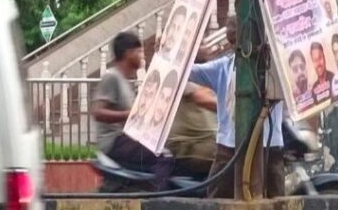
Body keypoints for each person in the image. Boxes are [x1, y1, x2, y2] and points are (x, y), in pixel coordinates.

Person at [187, 14, 285, 198]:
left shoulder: (276, 67)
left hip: (268, 145)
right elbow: (188, 71)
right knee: (216, 199)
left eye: (236, 41)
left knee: (276, 202)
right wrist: (170, 53)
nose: (234, 47)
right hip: (229, 147)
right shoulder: (224, 68)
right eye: (232, 42)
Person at [91, 31, 174, 190]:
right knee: (163, 155)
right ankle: (159, 199)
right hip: (113, 141)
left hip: (124, 140)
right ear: (128, 53)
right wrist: (129, 115)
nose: (142, 55)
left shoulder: (125, 81)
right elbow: (97, 112)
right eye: (139, 51)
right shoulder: (112, 77)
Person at [167, 82, 217, 179]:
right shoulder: (186, 78)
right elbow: (201, 98)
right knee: (230, 155)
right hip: (189, 147)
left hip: (204, 141)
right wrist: (236, 106)